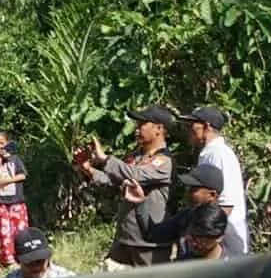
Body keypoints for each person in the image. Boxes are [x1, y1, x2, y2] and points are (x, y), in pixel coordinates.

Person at [78, 105, 176, 268]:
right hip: (126, 238)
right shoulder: (135, 156)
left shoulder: (164, 162)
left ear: (158, 129)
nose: (136, 130)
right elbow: (114, 181)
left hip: (148, 243)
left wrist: (104, 158)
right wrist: (87, 169)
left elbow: (134, 175)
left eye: (141, 125)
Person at [125, 162, 247, 256]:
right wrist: (141, 202)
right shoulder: (186, 216)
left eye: (194, 189)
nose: (187, 193)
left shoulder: (225, 231)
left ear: (212, 195)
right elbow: (154, 234)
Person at [181, 106, 249, 254]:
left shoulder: (219, 153)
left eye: (193, 124)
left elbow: (226, 203)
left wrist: (209, 235)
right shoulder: (210, 152)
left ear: (207, 126)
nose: (189, 129)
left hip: (226, 237)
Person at [0, 131, 29, 267]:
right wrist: (0, 159)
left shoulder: (15, 158)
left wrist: (7, 181)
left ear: (7, 143)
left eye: (2, 143)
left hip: (17, 199)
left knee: (20, 229)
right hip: (0, 201)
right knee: (4, 230)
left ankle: (22, 256)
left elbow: (23, 175)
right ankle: (7, 259)